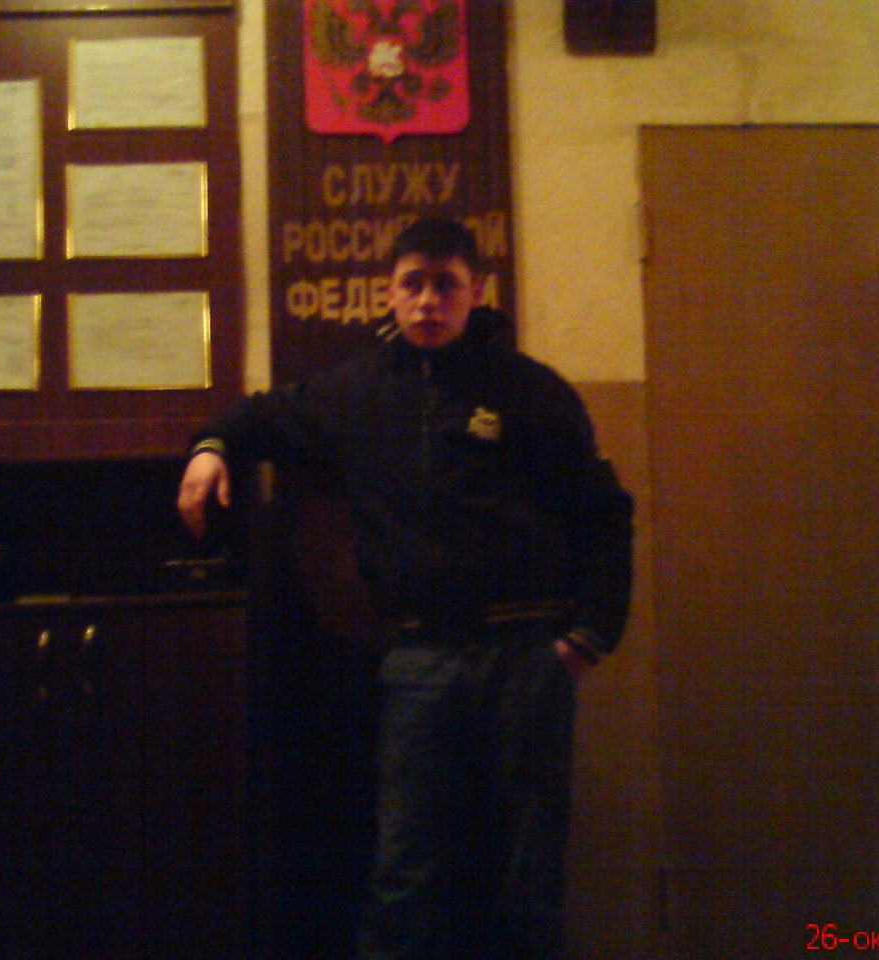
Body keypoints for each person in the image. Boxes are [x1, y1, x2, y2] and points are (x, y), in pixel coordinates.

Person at [177, 217, 634, 960]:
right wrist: (210, 448)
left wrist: (589, 637)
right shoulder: (355, 392)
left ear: (476, 291)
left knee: (528, 866)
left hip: (526, 655)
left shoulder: (532, 391)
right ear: (387, 293)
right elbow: (255, 418)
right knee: (406, 863)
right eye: (412, 284)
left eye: (445, 285)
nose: (428, 302)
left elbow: (604, 515)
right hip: (420, 661)